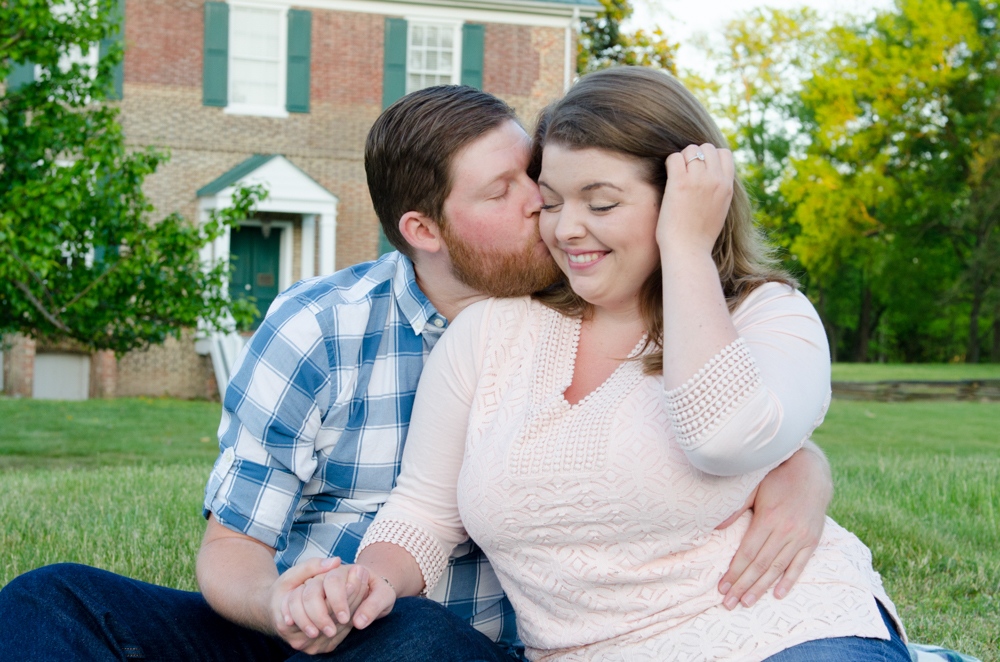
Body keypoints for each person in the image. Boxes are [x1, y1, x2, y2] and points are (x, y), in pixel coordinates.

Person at [0, 84, 834, 661]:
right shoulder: (320, 327)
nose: (550, 212)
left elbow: (709, 413)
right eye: (513, 192)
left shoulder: (595, 294)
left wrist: (799, 461)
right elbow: (231, 547)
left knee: (417, 636)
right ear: (426, 230)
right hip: (302, 622)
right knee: (55, 600)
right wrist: (287, 604)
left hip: (434, 645)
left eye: (544, 183)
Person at [295, 68, 915, 661]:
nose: (567, 229)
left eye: (602, 203)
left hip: (780, 631)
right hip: (578, 652)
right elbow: (423, 515)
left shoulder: (769, 315)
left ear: (684, 203)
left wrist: (684, 250)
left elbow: (723, 440)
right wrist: (369, 580)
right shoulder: (491, 331)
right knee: (401, 638)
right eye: (554, 200)